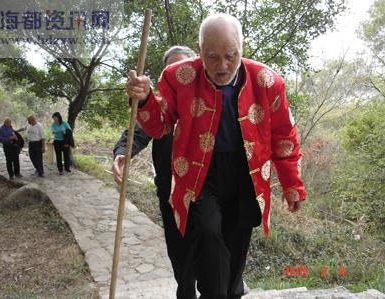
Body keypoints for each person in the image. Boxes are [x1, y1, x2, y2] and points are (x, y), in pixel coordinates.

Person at [126, 14, 306, 299]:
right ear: (199, 50)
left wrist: (292, 185)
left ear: (242, 48)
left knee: (236, 243)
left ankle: (230, 291)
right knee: (208, 232)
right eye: (212, 57)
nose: (222, 66)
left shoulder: (267, 81)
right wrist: (145, 98)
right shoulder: (178, 77)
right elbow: (159, 125)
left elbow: (284, 138)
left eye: (230, 56)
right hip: (200, 173)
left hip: (247, 174)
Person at [113, 46, 197, 299]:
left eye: (184, 67)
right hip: (169, 192)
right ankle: (185, 292)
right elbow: (138, 131)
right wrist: (123, 152)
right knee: (178, 251)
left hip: (205, 192)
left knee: (207, 249)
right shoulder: (161, 108)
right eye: (172, 70)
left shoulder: (208, 105)